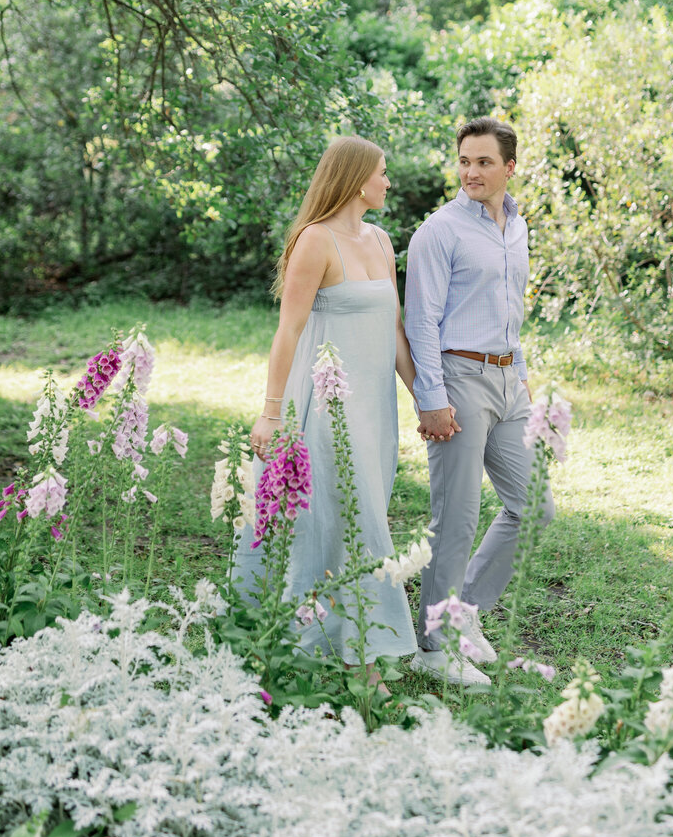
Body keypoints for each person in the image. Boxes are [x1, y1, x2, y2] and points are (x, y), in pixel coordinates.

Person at [232, 136, 418, 675]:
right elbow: (287, 332)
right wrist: (270, 412)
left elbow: (397, 332)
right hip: (321, 405)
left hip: (374, 411)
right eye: (383, 172)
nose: (388, 182)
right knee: (345, 520)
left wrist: (425, 400)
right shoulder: (315, 242)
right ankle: (363, 659)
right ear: (358, 179)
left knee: (355, 519)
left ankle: (331, 638)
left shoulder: (382, 242)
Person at [404, 116, 555, 687]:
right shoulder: (438, 232)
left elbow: (510, 310)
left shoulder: (515, 226)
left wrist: (525, 384)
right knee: (457, 519)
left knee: (534, 506)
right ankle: (434, 649)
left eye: (484, 162)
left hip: (509, 380)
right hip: (459, 379)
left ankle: (461, 613)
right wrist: (431, 399)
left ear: (509, 168)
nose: (471, 172)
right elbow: (420, 321)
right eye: (465, 161)